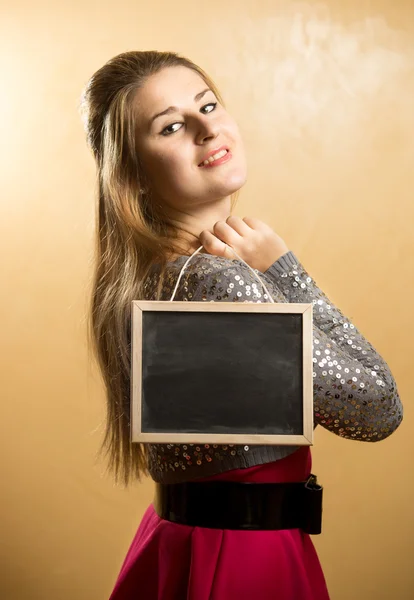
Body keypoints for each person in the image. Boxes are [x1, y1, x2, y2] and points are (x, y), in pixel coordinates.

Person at [80, 50, 403, 600]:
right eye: (174, 126)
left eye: (209, 105)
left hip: (178, 542)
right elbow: (377, 410)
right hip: (246, 559)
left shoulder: (151, 278)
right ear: (132, 175)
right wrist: (287, 271)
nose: (208, 128)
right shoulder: (221, 283)